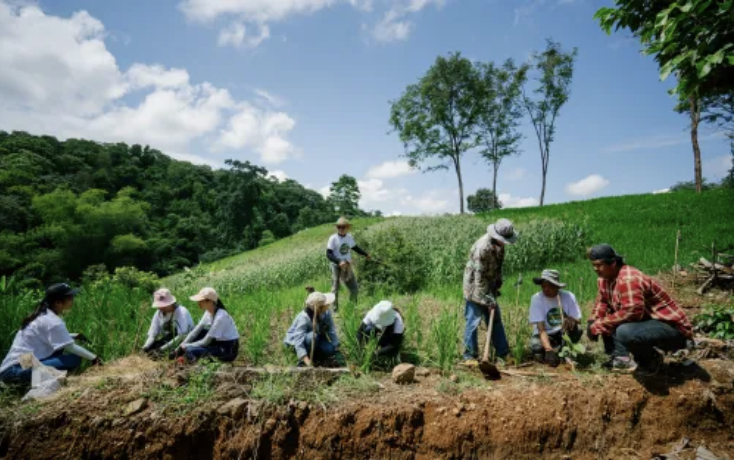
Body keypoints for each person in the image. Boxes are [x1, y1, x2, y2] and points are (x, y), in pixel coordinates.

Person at [586, 244, 693, 376]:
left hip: (671, 328)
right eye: (593, 265)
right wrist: (592, 320)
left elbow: (632, 312)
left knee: (622, 330)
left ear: (613, 263)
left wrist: (600, 324)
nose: (595, 269)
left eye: (599, 265)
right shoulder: (604, 279)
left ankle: (651, 360)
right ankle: (620, 359)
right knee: (608, 318)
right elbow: (602, 301)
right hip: (650, 323)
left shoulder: (628, 278)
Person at [0, 283, 102, 384]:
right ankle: (34, 380)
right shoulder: (53, 322)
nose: (72, 300)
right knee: (74, 359)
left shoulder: (42, 314)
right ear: (58, 303)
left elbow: (47, 336)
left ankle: (42, 377)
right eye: (70, 298)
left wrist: (74, 335)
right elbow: (70, 347)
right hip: (15, 370)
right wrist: (94, 358)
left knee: (59, 350)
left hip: (17, 363)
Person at [462, 218, 518, 366]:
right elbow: (478, 279)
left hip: (490, 285)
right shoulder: (482, 248)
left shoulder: (500, 245)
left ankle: (503, 353)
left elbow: (499, 265)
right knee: (473, 321)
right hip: (474, 287)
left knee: (495, 320)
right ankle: (469, 356)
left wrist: (498, 282)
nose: (505, 242)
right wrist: (487, 299)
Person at [528, 269, 583, 367]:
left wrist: (570, 319)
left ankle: (567, 353)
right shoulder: (536, 299)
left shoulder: (568, 296)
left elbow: (578, 320)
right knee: (536, 346)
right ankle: (549, 353)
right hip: (545, 334)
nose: (546, 289)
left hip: (562, 332)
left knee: (577, 329)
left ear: (557, 286)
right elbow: (541, 329)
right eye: (543, 286)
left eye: (550, 286)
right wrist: (548, 350)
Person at [175, 287, 240, 364]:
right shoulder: (208, 312)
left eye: (201, 301)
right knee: (200, 333)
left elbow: (205, 342)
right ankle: (188, 356)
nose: (198, 303)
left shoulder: (220, 316)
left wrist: (187, 346)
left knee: (189, 350)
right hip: (218, 344)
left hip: (227, 350)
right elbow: (195, 331)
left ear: (210, 301)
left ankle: (196, 366)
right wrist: (180, 346)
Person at [284, 288, 341, 367]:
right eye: (326, 304)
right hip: (296, 342)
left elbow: (331, 330)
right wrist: (307, 360)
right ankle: (303, 359)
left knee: (329, 349)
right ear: (319, 307)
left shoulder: (326, 312)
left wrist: (336, 347)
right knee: (313, 337)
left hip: (316, 339)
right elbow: (298, 339)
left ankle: (315, 357)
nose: (328, 305)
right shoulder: (304, 318)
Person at [326, 217, 371, 311]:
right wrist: (339, 261)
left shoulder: (349, 237)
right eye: (339, 227)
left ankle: (352, 307)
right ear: (337, 228)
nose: (341, 229)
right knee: (335, 287)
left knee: (354, 288)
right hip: (336, 265)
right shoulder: (333, 238)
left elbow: (355, 247)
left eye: (343, 227)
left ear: (347, 227)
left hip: (347, 265)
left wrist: (365, 254)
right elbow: (328, 254)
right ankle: (335, 310)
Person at [142, 288, 195, 358]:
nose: (160, 307)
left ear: (171, 303)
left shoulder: (181, 312)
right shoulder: (158, 314)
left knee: (162, 352)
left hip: (184, 341)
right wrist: (146, 346)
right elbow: (153, 334)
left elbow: (181, 336)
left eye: (163, 305)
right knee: (153, 347)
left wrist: (161, 349)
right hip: (169, 339)